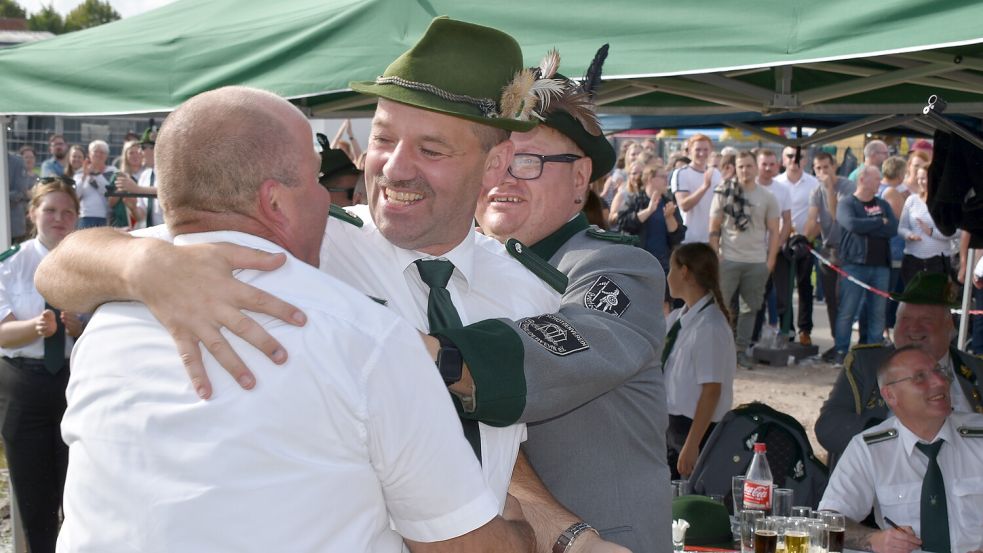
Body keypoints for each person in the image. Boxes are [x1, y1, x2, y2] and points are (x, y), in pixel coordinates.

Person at [36, 18, 624, 553]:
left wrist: (566, 535)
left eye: (432, 149)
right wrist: (144, 267)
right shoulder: (298, 242)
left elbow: (503, 448)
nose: (394, 167)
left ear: (494, 166)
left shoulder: (531, 293)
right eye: (384, 138)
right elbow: (61, 267)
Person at [468, 57, 671, 551]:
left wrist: (433, 352)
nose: (505, 179)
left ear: (580, 180)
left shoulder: (617, 269)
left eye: (529, 161)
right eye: (494, 160)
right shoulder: (455, 272)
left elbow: (555, 357)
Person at [818, 346, 983, 553]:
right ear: (891, 395)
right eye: (920, 377)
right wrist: (873, 539)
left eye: (940, 371)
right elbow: (827, 521)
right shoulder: (870, 448)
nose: (941, 382)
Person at [815, 272, 983, 466]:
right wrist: (892, 437)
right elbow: (829, 426)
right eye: (905, 319)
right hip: (886, 476)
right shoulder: (866, 363)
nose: (913, 329)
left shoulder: (975, 369)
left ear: (949, 327)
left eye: (926, 320)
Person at [0, 177, 81, 553]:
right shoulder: (11, 262)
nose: (58, 218)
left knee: (79, 491)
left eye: (68, 212)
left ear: (78, 218)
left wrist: (80, 328)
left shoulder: (91, 264)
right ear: (32, 213)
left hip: (76, 382)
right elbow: (1, 333)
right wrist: (33, 328)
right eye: (49, 210)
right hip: (24, 388)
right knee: (34, 494)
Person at [663, 243, 735, 479]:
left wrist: (692, 444)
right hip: (671, 425)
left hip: (697, 430)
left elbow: (712, 390)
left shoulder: (710, 326)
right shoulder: (679, 318)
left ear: (684, 272)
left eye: (671, 269)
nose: (668, 276)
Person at [709, 151, 780, 368]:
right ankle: (718, 350)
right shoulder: (723, 192)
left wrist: (770, 262)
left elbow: (774, 232)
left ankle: (741, 351)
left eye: (749, 166)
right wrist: (716, 255)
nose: (745, 170)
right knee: (720, 307)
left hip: (756, 261)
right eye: (740, 166)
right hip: (728, 259)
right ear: (735, 168)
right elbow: (714, 227)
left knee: (750, 309)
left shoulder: (767, 197)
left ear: (755, 168)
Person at [831, 165, 898, 363]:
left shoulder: (883, 204)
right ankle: (841, 351)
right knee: (848, 310)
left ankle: (872, 353)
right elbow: (851, 224)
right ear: (863, 179)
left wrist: (868, 225)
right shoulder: (847, 203)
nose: (880, 183)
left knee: (878, 312)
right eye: (877, 179)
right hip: (854, 265)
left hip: (881, 267)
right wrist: (879, 222)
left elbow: (892, 229)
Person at [804, 152, 855, 361]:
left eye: (826, 167)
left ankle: (845, 345)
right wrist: (802, 237)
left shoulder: (846, 186)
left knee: (844, 300)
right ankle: (837, 343)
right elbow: (812, 218)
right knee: (831, 301)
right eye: (818, 168)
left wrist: (830, 188)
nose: (823, 172)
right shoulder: (815, 191)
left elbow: (838, 216)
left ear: (834, 166)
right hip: (828, 250)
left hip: (848, 250)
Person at [774, 146, 819, 345]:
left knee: (805, 287)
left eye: (799, 156)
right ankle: (786, 329)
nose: (794, 160)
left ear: (805, 159)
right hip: (780, 242)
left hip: (804, 242)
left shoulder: (814, 183)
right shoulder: (776, 183)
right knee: (783, 288)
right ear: (783, 160)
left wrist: (807, 237)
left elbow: (819, 217)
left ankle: (805, 330)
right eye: (790, 156)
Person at [617, 164, 685, 278]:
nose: (666, 180)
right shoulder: (635, 200)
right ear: (650, 179)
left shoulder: (668, 203)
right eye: (663, 177)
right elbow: (623, 223)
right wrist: (648, 211)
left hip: (663, 265)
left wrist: (669, 218)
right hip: (637, 264)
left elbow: (677, 237)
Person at [672, 134, 722, 244]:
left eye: (705, 149)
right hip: (689, 239)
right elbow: (684, 205)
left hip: (711, 238)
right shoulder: (681, 173)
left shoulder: (716, 173)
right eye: (697, 149)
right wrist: (704, 187)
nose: (702, 153)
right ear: (690, 151)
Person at [72, 140, 117, 229]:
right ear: (89, 154)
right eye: (96, 151)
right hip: (85, 216)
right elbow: (76, 194)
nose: (98, 155)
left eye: (102, 152)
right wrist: (85, 176)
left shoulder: (113, 172)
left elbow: (108, 192)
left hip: (106, 217)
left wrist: (96, 174)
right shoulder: (80, 173)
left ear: (107, 156)